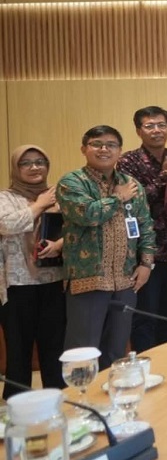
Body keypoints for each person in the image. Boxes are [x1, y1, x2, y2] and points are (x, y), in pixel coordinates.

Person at [57, 126, 155, 369]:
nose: (104, 149)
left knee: (116, 351)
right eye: (97, 144)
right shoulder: (72, 182)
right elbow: (87, 214)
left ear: (119, 150)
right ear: (84, 149)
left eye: (111, 145)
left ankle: (112, 392)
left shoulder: (131, 184)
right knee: (82, 351)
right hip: (88, 280)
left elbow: (145, 225)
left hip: (125, 280)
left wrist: (146, 263)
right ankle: (81, 393)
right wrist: (118, 197)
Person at [0, 145, 67, 398]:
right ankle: (17, 404)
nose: (34, 167)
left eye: (40, 162)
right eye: (26, 163)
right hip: (17, 283)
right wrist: (39, 205)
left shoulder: (59, 196)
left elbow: (74, 229)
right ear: (16, 168)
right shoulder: (5, 198)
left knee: (54, 348)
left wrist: (59, 244)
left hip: (54, 280)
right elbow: (6, 225)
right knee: (18, 349)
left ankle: (58, 400)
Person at [118, 105, 167, 350]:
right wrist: (165, 176)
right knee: (145, 315)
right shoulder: (128, 162)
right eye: (150, 126)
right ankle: (146, 364)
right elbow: (134, 200)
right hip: (145, 253)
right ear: (139, 131)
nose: (157, 130)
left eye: (162, 125)